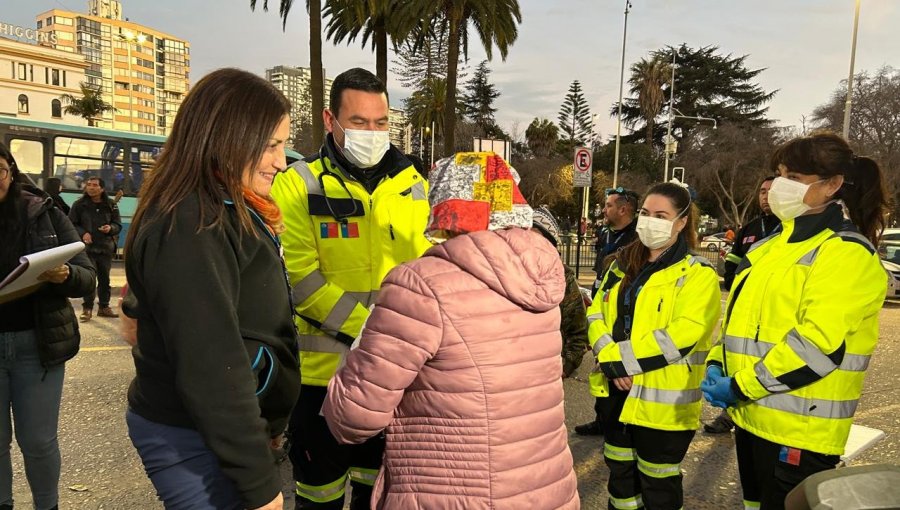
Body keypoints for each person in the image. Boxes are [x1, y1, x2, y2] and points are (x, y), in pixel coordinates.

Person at [322, 152, 579, 509]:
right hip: (546, 489)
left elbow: (354, 417)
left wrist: (355, 355)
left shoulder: (421, 285)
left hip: (452, 494)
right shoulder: (542, 279)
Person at [123, 68, 300, 510]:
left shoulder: (227, 207)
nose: (282, 161)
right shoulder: (191, 224)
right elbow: (211, 368)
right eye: (271, 145)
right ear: (227, 137)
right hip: (195, 436)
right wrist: (261, 487)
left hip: (221, 434)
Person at [269, 67, 432, 510]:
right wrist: (372, 333)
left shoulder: (414, 185)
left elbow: (427, 274)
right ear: (330, 120)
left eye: (381, 122)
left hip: (392, 381)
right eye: (359, 122)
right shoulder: (298, 183)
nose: (372, 132)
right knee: (317, 496)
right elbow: (298, 278)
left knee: (377, 494)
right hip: (321, 379)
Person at [702, 132, 888, 510]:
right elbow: (739, 323)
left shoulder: (846, 254)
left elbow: (815, 347)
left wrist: (739, 386)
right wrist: (717, 362)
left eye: (795, 179)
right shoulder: (768, 247)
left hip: (801, 432)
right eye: (780, 174)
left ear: (833, 185)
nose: (779, 187)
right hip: (753, 419)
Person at [586, 182, 721, 510]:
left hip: (663, 406)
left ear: (682, 222)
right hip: (614, 394)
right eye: (646, 213)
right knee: (620, 479)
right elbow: (595, 314)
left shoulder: (697, 275)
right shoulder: (620, 265)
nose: (650, 221)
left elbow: (681, 337)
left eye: (661, 215)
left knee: (658, 487)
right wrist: (609, 358)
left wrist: (619, 361)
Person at [0, 142, 95, 510]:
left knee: (38, 442)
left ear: (11, 169)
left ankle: (47, 505)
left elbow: (87, 276)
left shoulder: (43, 212)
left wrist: (66, 273)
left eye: (1, 172)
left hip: (36, 347)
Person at [707, 176, 781, 435]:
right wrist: (731, 277)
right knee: (738, 353)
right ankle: (730, 413)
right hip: (743, 303)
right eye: (761, 191)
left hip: (769, 308)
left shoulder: (788, 228)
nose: (765, 196)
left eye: (771, 191)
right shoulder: (751, 227)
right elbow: (735, 258)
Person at [576, 187, 640, 437]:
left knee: (619, 365)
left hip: (622, 309)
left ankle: (618, 421)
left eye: (609, 205)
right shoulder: (605, 234)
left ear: (623, 209)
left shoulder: (637, 236)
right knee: (600, 364)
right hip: (602, 300)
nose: (605, 210)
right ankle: (601, 417)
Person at [533, 207, 590, 377]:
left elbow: (578, 331)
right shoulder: (505, 273)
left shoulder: (563, 278)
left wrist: (566, 367)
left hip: (548, 371)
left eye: (535, 236)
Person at [68, 176, 121, 322]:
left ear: (102, 188)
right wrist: (83, 233)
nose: (91, 187)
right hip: (88, 249)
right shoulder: (79, 205)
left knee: (105, 279)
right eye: (88, 185)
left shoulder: (111, 205)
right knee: (90, 279)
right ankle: (87, 308)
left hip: (105, 248)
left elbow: (118, 225)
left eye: (94, 185)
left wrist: (110, 228)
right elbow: (71, 224)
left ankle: (104, 307)